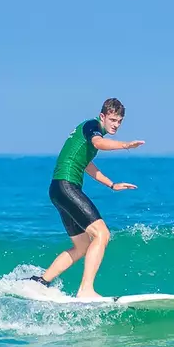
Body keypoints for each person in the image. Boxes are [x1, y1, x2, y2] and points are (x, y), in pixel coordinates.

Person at [29, 98, 144, 299]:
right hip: (66, 186)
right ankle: (85, 290)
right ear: (103, 117)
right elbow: (98, 142)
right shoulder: (92, 127)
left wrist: (111, 184)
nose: (116, 124)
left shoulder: (89, 135)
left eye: (119, 121)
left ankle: (41, 282)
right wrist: (125, 145)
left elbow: (87, 165)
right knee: (102, 234)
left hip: (57, 189)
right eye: (113, 119)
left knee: (81, 246)